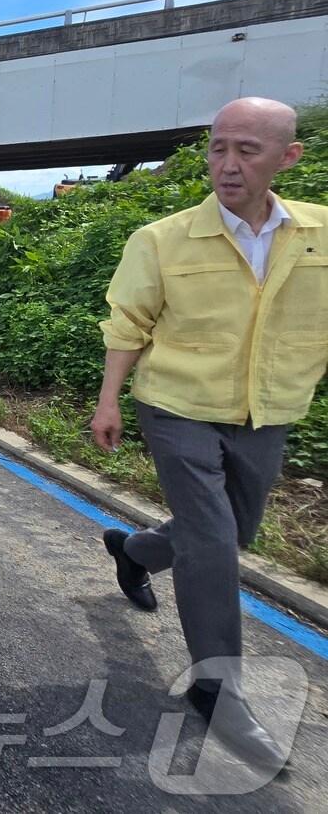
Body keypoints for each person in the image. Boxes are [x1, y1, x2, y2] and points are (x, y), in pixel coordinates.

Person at [91, 97, 325, 769]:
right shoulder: (162, 240)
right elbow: (128, 323)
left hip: (267, 411)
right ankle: (218, 686)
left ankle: (134, 550)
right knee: (214, 541)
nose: (227, 163)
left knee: (231, 534)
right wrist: (109, 400)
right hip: (176, 406)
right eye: (218, 148)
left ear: (288, 157)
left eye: (246, 150)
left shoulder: (319, 235)